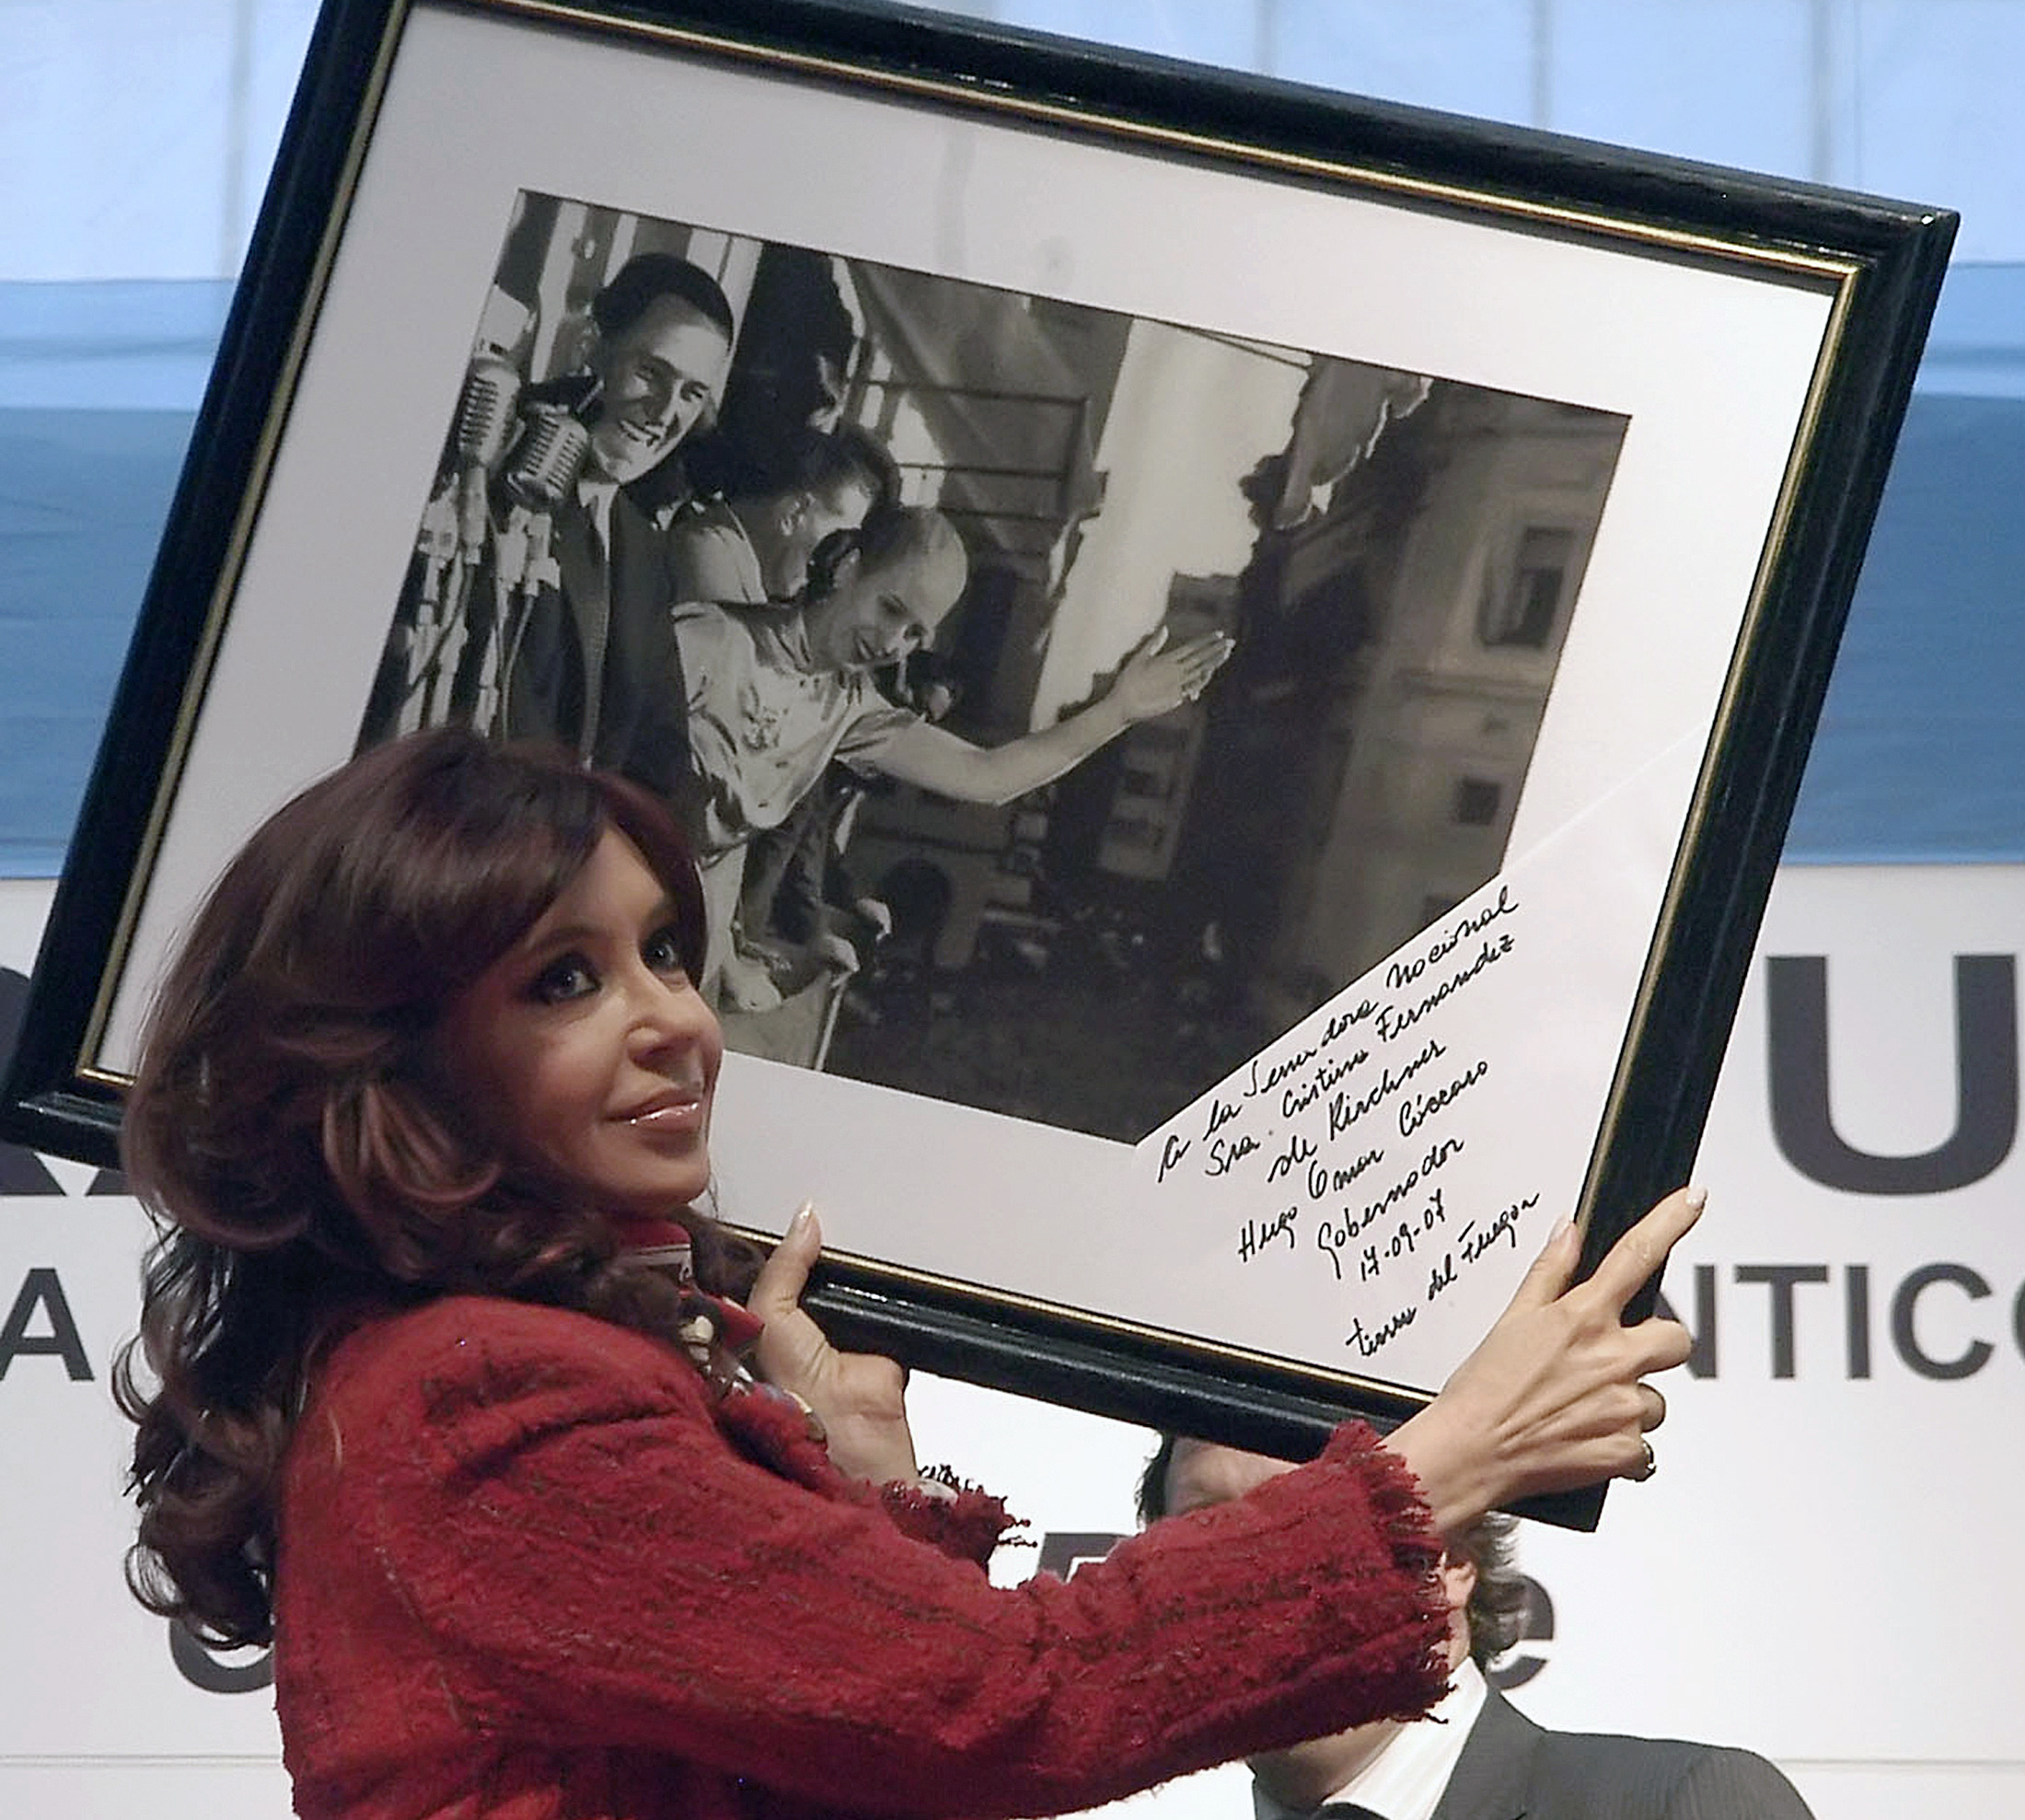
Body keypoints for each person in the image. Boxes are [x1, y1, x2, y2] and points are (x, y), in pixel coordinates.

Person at [116, 726, 1702, 1820]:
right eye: (564, 980)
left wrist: (860, 1467)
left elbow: (874, 1753)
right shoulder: (478, 1391)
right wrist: (1448, 1456)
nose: (677, 1020)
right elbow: (1011, 1701)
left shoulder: (492, 1369)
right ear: (396, 1063)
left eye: (665, 949)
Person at [671, 502, 1235, 1001]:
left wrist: (1118, 712)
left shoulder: (848, 709)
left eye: (915, 634)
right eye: (890, 609)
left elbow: (986, 776)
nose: (891, 643)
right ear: (847, 568)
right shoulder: (713, 639)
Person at [1142, 1435, 1816, 1820]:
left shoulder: (1679, 1807)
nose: (1251, 1568)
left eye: (1304, 1518)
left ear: (1449, 1563)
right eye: (1207, 1526)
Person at [360, 253, 736, 782]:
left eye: (692, 394)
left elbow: (661, 749)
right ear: (590, 347)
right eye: (651, 373)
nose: (665, 412)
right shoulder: (484, 476)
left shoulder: (643, 547)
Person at [666, 424, 900, 607]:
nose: (838, 557)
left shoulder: (728, 559)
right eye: (840, 537)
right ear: (794, 514)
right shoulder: (710, 563)